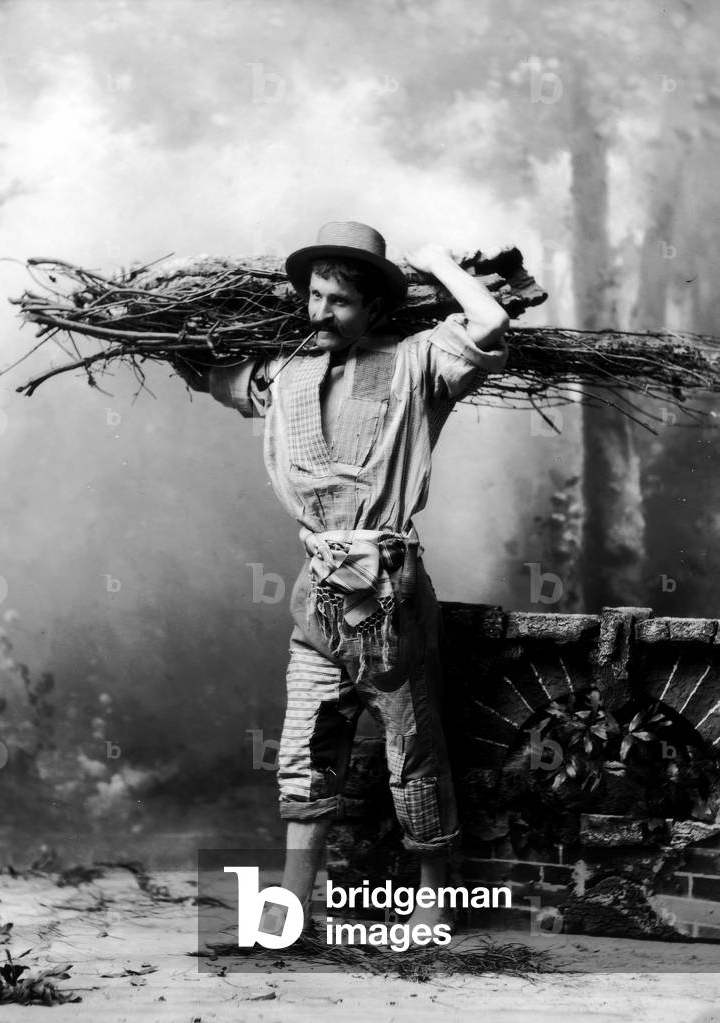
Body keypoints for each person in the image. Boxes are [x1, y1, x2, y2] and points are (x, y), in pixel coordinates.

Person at [172, 221, 509, 937]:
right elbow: (200, 369)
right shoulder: (283, 372)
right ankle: (292, 901)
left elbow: (488, 322)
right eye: (314, 296)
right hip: (316, 599)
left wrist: (438, 262)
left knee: (412, 746)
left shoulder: (419, 362)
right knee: (305, 745)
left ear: (377, 308)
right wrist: (171, 304)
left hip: (389, 600)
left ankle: (432, 896)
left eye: (341, 301)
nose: (321, 312)